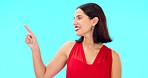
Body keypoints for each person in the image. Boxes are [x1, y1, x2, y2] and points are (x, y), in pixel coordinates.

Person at [24, 3, 121, 78]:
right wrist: (35, 48)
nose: (74, 23)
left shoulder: (113, 57)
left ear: (94, 21)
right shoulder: (68, 48)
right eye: (74, 19)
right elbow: (43, 75)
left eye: (79, 18)